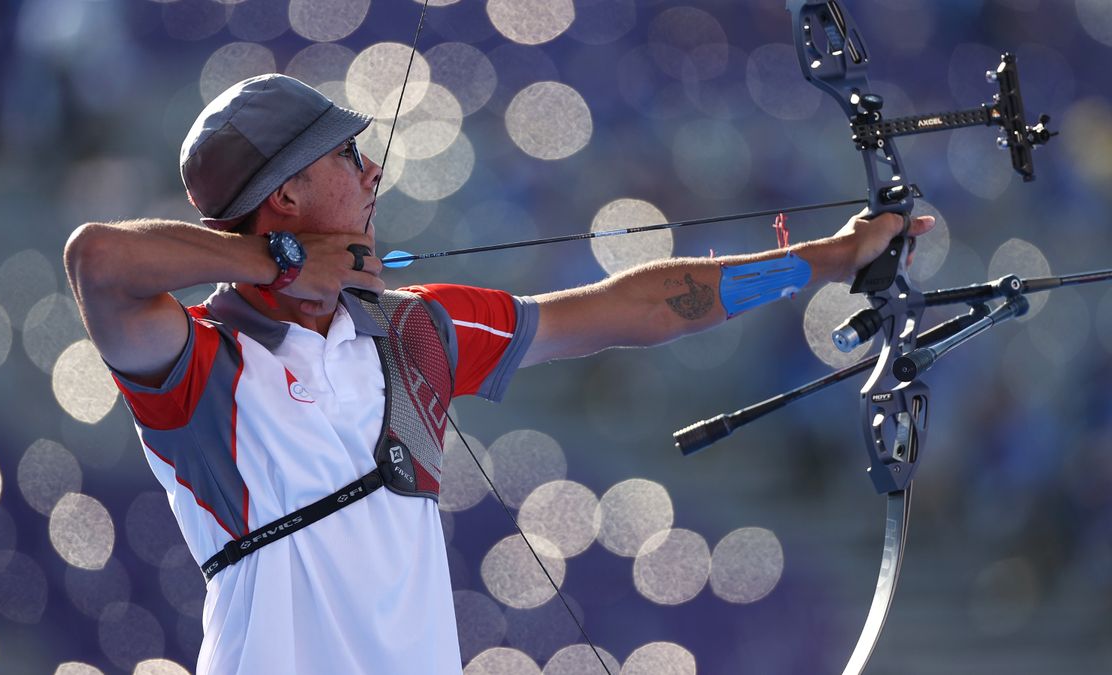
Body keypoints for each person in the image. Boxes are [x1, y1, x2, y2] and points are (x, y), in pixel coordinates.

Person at [63, 73, 933, 674]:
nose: (372, 171)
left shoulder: (414, 330)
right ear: (284, 196)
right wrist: (283, 261)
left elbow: (636, 307)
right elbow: (95, 258)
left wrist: (823, 259)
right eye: (344, 159)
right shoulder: (199, 364)